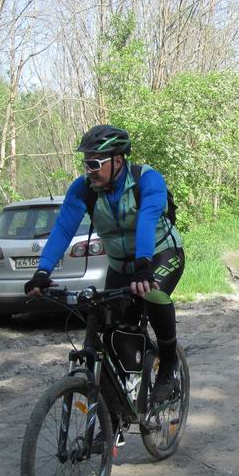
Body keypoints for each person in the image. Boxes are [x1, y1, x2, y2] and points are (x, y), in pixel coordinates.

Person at [24, 124, 184, 402]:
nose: (89, 170)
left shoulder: (148, 180)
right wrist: (42, 271)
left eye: (95, 163)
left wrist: (144, 264)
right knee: (111, 332)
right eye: (86, 163)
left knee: (154, 297)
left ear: (118, 160)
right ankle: (113, 419)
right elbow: (63, 229)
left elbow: (146, 220)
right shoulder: (83, 190)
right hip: (121, 266)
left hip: (160, 254)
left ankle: (168, 365)